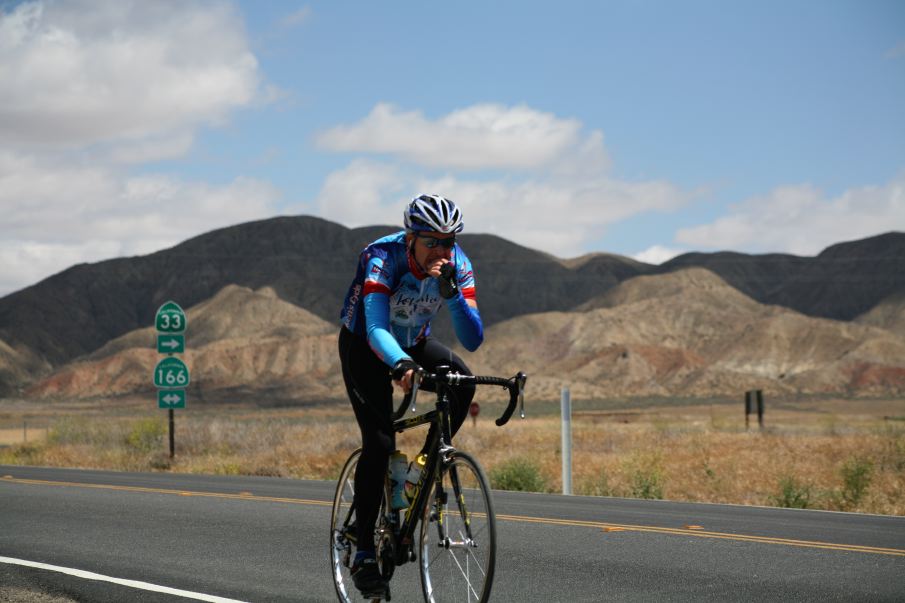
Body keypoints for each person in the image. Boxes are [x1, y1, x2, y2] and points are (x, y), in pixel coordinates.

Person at [337, 194, 484, 596]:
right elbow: (375, 328)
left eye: (448, 241)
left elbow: (472, 338)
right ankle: (364, 548)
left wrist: (452, 294)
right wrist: (401, 366)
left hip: (415, 341)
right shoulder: (383, 257)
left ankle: (424, 468)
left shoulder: (459, 265)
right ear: (411, 238)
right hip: (365, 346)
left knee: (463, 381)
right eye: (431, 241)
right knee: (381, 441)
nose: (441, 250)